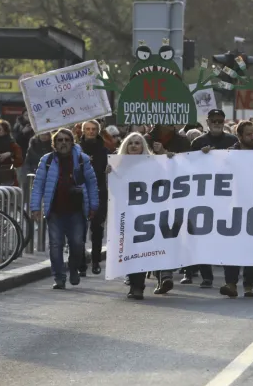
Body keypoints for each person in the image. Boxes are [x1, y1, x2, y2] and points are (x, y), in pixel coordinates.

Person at [30, 128, 99, 290]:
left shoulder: (83, 160)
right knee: (55, 244)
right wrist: (35, 207)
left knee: (77, 244)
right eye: (60, 140)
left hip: (77, 211)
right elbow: (38, 186)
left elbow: (92, 183)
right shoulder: (46, 161)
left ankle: (74, 268)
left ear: (72, 142)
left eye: (67, 140)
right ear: (54, 143)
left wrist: (94, 206)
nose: (63, 143)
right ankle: (59, 277)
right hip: (55, 211)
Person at [111, 132, 170, 300]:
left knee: (142, 250)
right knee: (130, 250)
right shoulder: (118, 166)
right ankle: (134, 284)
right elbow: (113, 192)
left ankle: (139, 286)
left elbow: (164, 183)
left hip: (148, 215)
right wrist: (109, 174)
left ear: (143, 146)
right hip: (126, 215)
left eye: (138, 143)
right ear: (126, 147)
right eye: (131, 143)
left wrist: (168, 159)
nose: (134, 146)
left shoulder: (153, 164)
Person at [217, 121, 253, 298]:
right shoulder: (230, 154)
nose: (252, 138)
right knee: (231, 246)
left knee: (252, 246)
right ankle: (231, 283)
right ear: (239, 136)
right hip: (232, 206)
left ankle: (249, 285)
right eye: (248, 134)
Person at [183, 109, 237, 287]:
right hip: (204, 196)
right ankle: (207, 276)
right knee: (202, 235)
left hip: (227, 196)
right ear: (207, 122)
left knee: (227, 236)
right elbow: (189, 168)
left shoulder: (232, 141)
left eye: (220, 120)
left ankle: (230, 277)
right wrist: (201, 157)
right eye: (213, 120)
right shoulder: (199, 142)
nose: (217, 123)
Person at [79, 120, 112, 276]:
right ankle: (81, 262)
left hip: (99, 192)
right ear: (83, 131)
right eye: (88, 129)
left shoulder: (105, 150)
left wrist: (111, 168)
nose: (90, 132)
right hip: (79, 193)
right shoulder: (76, 149)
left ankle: (96, 260)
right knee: (78, 229)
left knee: (97, 228)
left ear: (98, 131)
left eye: (93, 129)